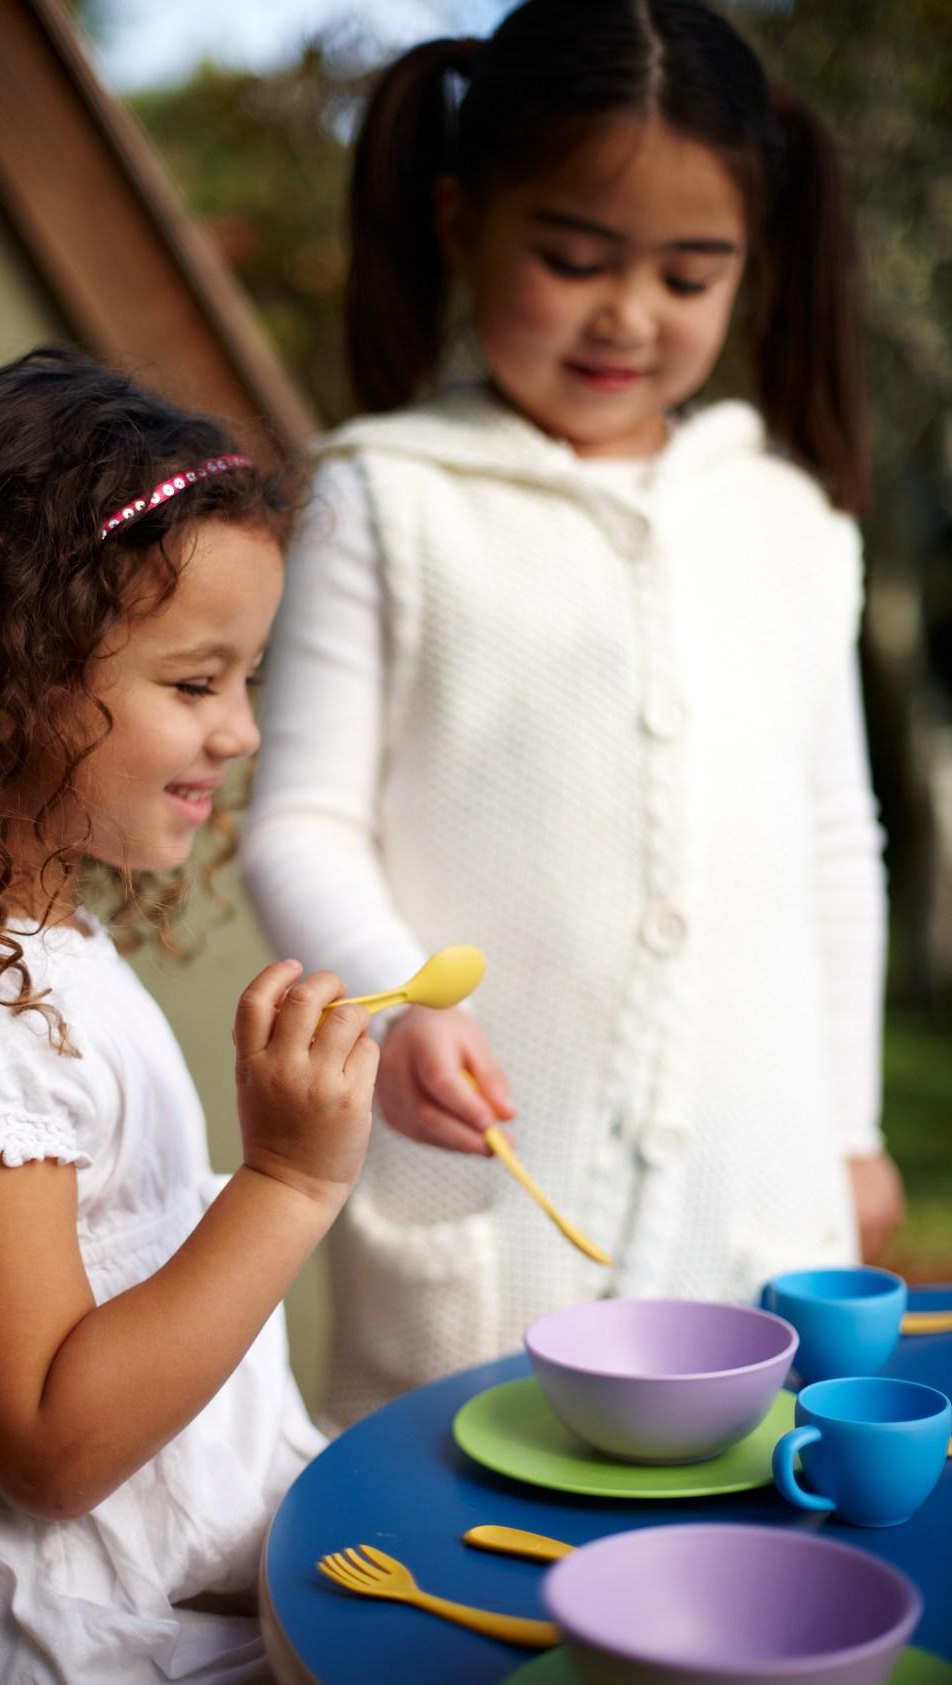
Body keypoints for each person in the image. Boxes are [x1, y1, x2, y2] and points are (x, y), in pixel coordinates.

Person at [241, 0, 906, 1429]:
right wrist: (395, 990)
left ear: (753, 265)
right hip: (490, 1197)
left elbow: (835, 850)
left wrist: (850, 1129)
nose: (630, 315)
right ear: (461, 221)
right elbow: (296, 818)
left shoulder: (791, 522)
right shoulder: (385, 497)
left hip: (757, 1190)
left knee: (738, 1574)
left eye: (689, 273)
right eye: (575, 257)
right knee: (454, 1567)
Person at [0, 346, 379, 1683]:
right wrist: (291, 1183)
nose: (241, 731)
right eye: (195, 684)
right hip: (52, 1641)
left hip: (156, 1595)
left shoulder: (35, 939)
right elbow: (50, 1436)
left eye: (244, 679)